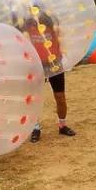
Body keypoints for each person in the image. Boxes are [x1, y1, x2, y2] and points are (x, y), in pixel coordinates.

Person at [22, 8, 76, 143]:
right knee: (34, 98)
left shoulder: (53, 25)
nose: (35, 15)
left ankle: (62, 125)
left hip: (54, 64)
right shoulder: (27, 26)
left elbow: (63, 36)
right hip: (36, 65)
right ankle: (35, 128)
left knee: (60, 96)